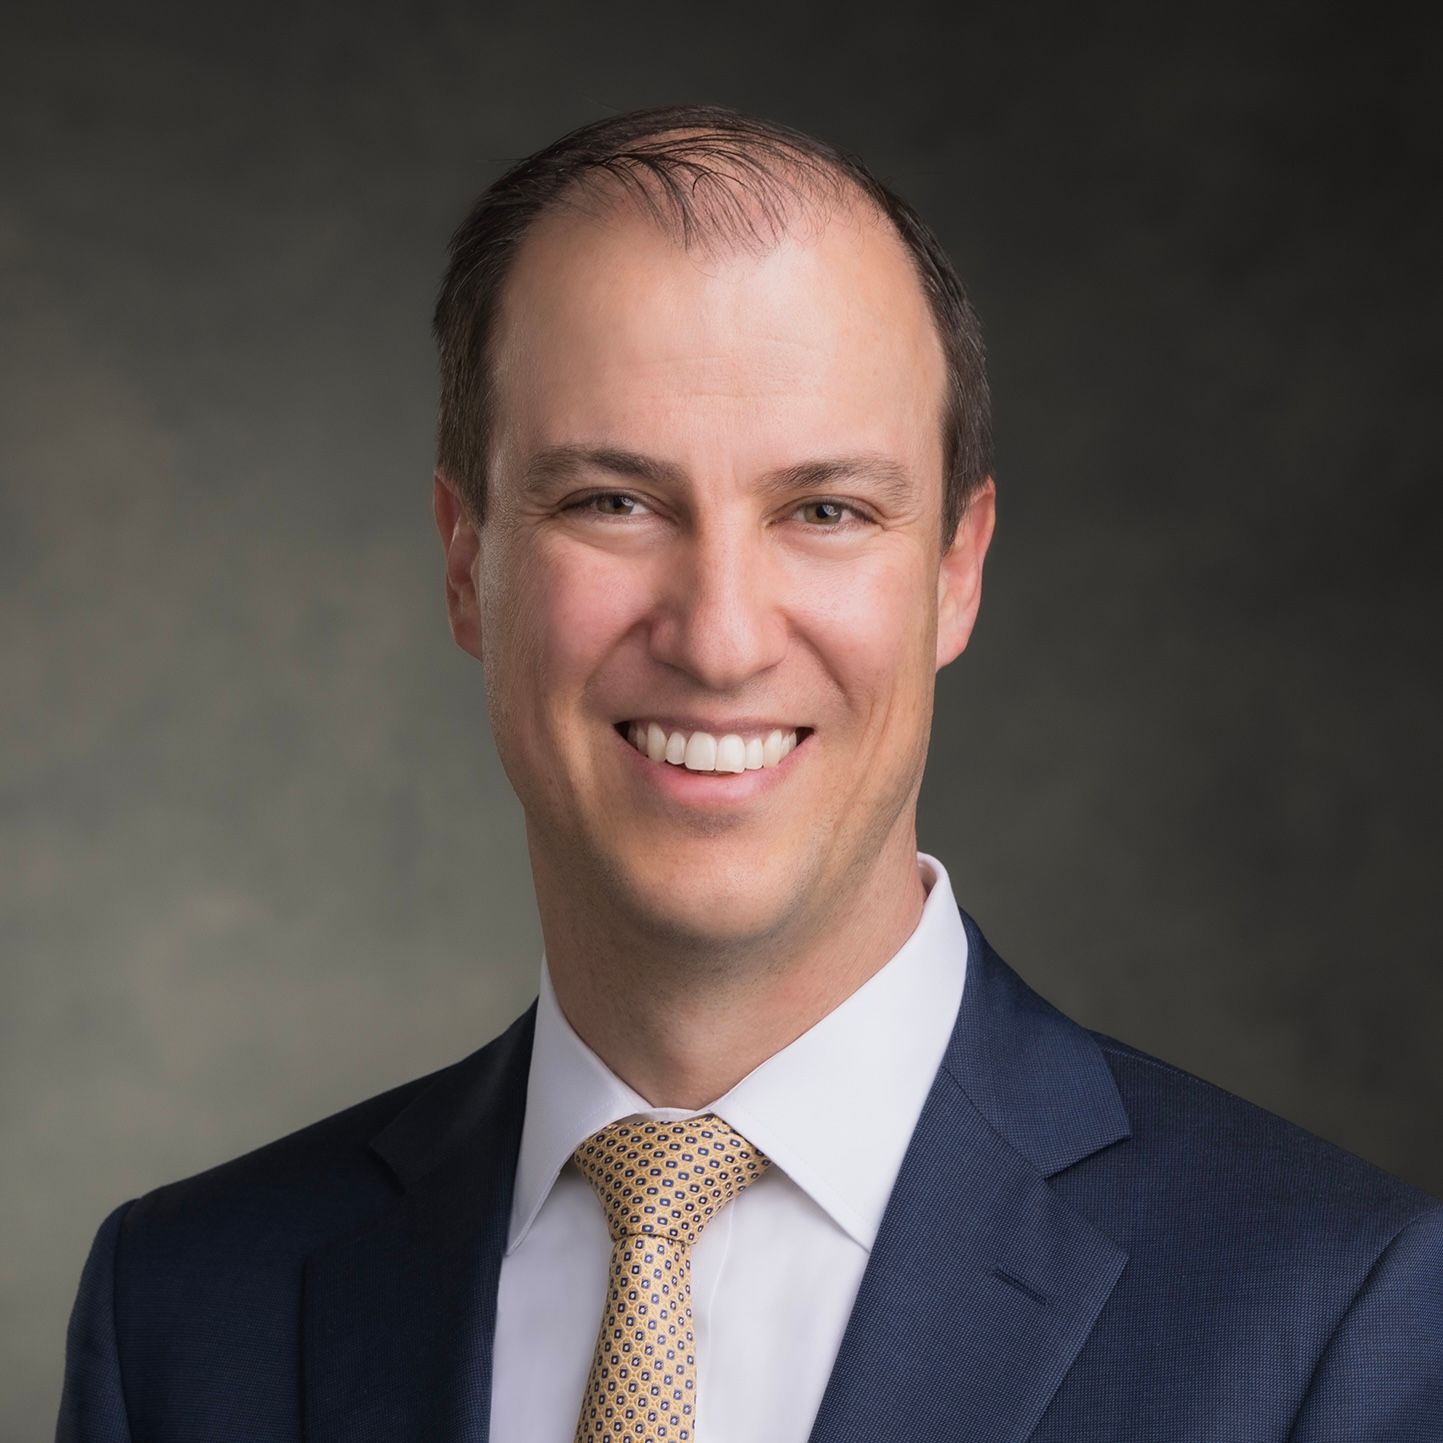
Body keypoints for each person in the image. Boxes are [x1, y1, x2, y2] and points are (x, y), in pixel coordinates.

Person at [56, 104, 1441, 1443]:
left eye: (825, 510)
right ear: (466, 558)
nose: (719, 637)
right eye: (614, 502)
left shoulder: (1328, 1320)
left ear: (955, 573)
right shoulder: (186, 1316)